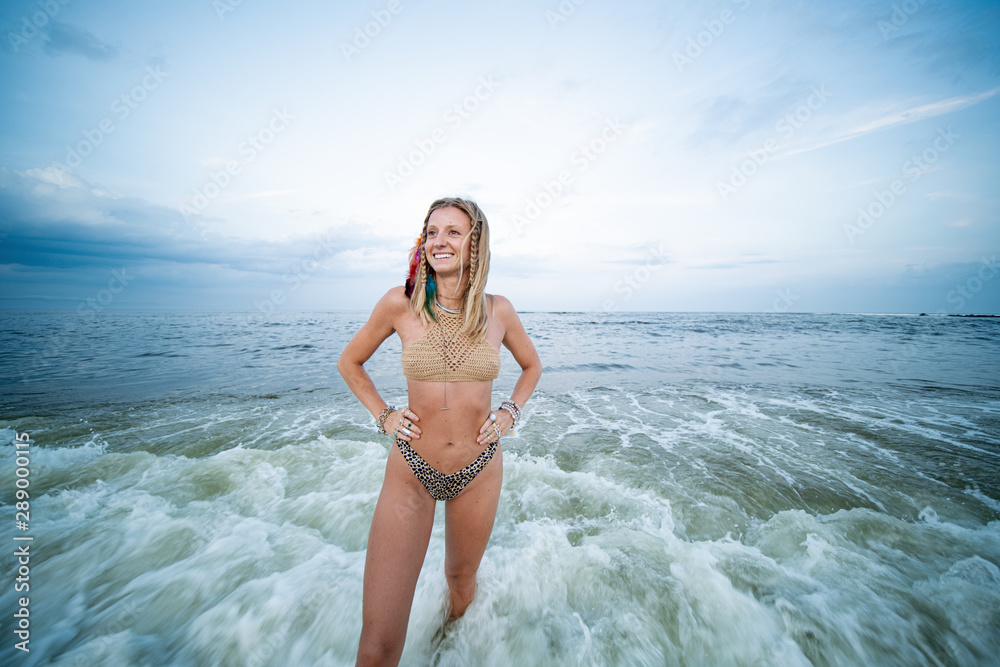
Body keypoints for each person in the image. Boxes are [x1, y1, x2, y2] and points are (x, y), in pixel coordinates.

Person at [337, 197, 542, 666]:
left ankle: (447, 651)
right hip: (411, 471)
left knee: (461, 585)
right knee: (377, 646)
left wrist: (511, 410)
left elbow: (531, 366)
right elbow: (350, 362)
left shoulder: (499, 311)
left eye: (453, 231)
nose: (439, 241)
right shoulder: (400, 304)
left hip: (479, 470)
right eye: (432, 232)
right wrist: (384, 414)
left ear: (475, 244)